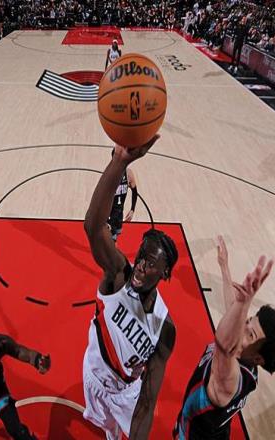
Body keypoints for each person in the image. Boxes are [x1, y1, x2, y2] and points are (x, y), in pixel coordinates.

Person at [83, 136, 178, 440]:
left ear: (165, 274)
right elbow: (93, 227)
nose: (140, 266)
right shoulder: (118, 275)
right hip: (92, 374)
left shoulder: (165, 328)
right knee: (106, 428)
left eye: (151, 263)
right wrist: (120, 161)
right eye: (140, 256)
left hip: (126, 393)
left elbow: (148, 400)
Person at [174, 237, 275, 439]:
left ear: (258, 358)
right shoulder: (244, 354)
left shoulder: (230, 380)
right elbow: (233, 314)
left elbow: (223, 344)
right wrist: (224, 267)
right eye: (248, 321)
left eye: (250, 333)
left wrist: (243, 304)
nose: (242, 328)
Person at [107, 149, 138, 242]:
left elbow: (135, 192)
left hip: (120, 213)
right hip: (110, 214)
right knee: (111, 240)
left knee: (116, 235)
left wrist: (132, 209)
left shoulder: (128, 173)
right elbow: (101, 199)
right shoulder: (109, 175)